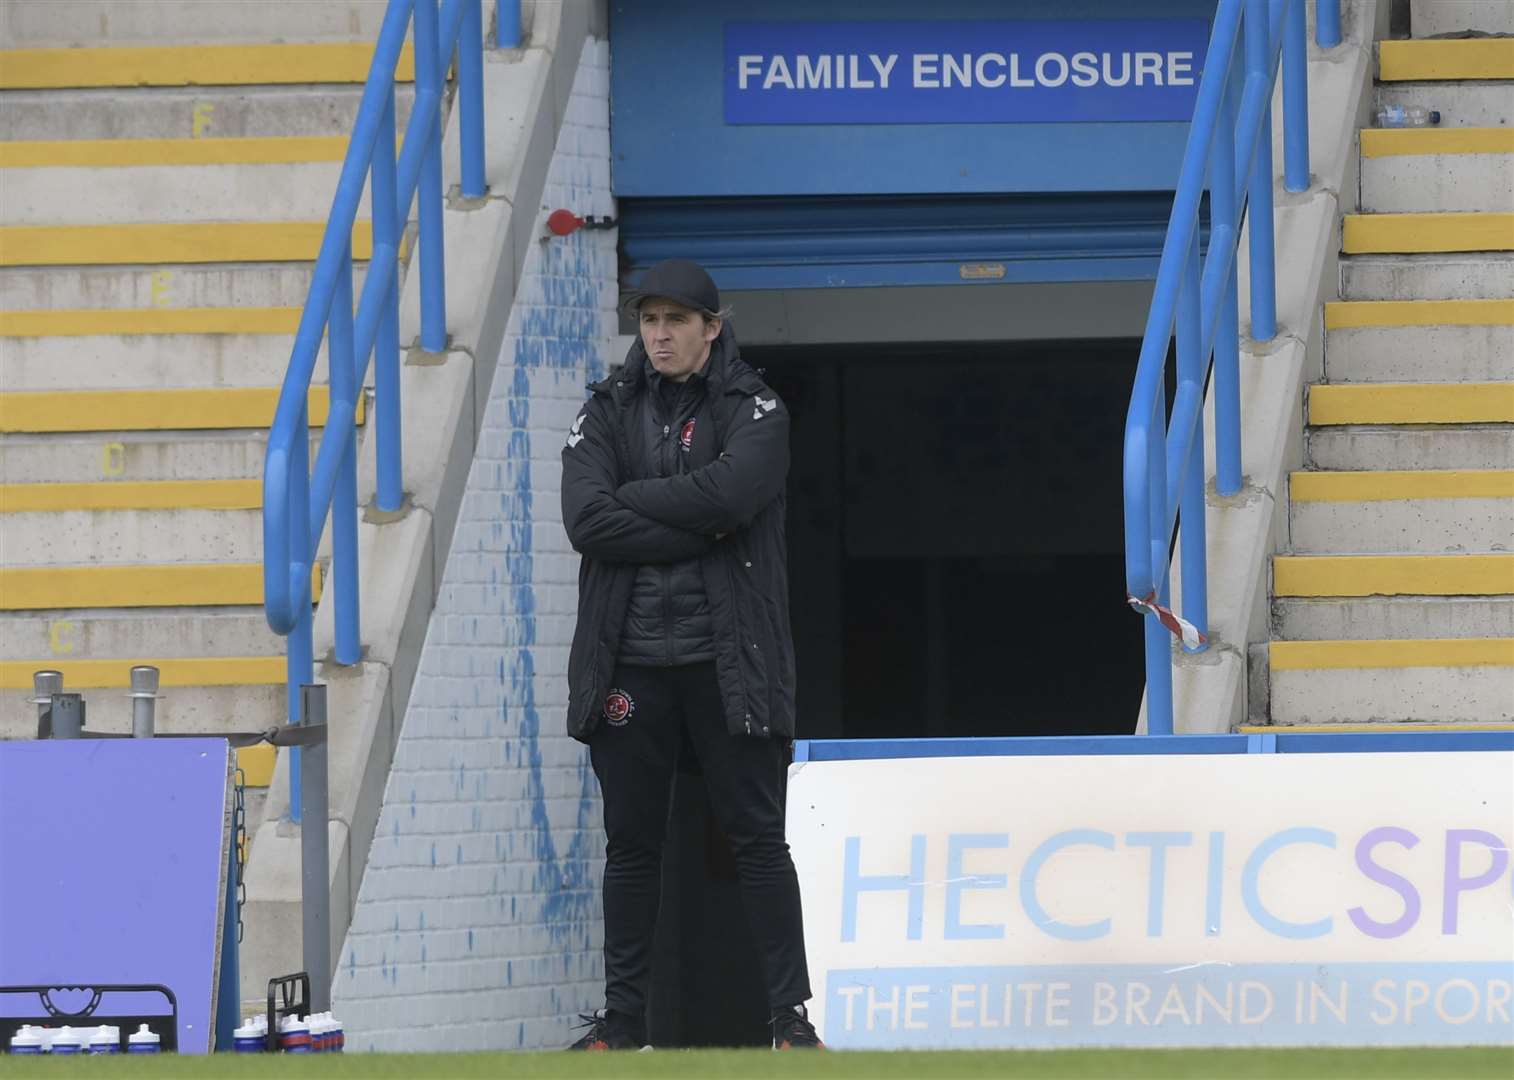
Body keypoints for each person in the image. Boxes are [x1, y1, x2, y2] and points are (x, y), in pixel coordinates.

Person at [559, 259, 821, 1051]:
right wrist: (698, 517)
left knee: (757, 841)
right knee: (631, 848)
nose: (661, 335)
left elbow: (735, 497)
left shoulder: (757, 405)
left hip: (727, 660)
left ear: (713, 327)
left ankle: (789, 1022)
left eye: (678, 320)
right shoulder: (606, 406)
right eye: (649, 320)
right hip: (630, 664)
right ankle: (624, 1024)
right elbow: (586, 521)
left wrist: (634, 503)